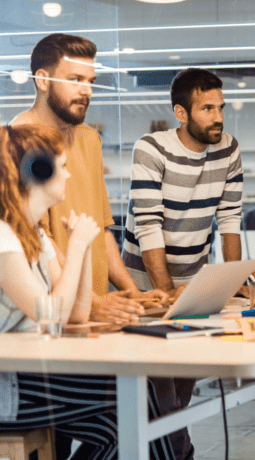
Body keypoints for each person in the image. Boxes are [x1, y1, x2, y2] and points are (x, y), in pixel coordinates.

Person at [0, 124, 176, 460]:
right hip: (10, 390)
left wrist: (83, 249)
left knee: (122, 423)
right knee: (137, 398)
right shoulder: (4, 237)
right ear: (37, 174)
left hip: (31, 377)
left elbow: (78, 312)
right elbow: (53, 315)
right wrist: (78, 247)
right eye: (63, 168)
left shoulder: (33, 233)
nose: (68, 176)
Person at [121, 67, 244, 460]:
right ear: (181, 112)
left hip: (196, 284)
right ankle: (178, 455)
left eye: (220, 107)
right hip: (144, 286)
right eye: (207, 108)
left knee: (181, 395)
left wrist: (230, 280)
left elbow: (229, 219)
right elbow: (148, 224)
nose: (218, 116)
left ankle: (168, 451)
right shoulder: (151, 148)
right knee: (162, 396)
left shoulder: (228, 149)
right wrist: (163, 291)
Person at [11, 33, 168, 324]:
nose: (87, 91)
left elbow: (102, 229)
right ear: (43, 80)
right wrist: (89, 305)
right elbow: (37, 237)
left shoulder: (89, 139)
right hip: (55, 311)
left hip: (98, 307)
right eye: (75, 80)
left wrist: (132, 293)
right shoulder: (18, 142)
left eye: (90, 82)